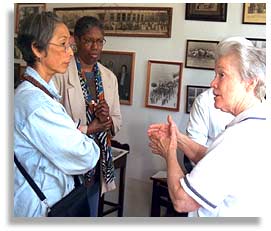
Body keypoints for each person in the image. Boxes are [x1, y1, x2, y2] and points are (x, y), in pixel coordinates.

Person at [148, 37, 268, 216]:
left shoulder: (237, 138)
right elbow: (216, 161)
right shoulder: (258, 122)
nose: (213, 83)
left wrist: (169, 153)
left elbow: (182, 201)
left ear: (250, 82)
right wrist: (178, 139)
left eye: (222, 75)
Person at [14, 12, 100, 217]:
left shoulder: (40, 92)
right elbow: (86, 156)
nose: (70, 53)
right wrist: (81, 133)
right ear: (37, 49)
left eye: (70, 45)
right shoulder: (37, 105)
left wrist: (74, 131)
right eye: (63, 44)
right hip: (40, 209)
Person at [53, 16, 122, 217]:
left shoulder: (109, 77)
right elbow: (56, 125)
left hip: (96, 164)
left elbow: (117, 120)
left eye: (100, 41)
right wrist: (91, 127)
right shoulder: (61, 74)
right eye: (89, 40)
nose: (95, 46)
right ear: (77, 41)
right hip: (68, 162)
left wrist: (107, 119)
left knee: (88, 215)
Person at [183, 88, 234, 173]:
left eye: (222, 75)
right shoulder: (205, 100)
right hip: (208, 173)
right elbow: (194, 147)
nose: (213, 83)